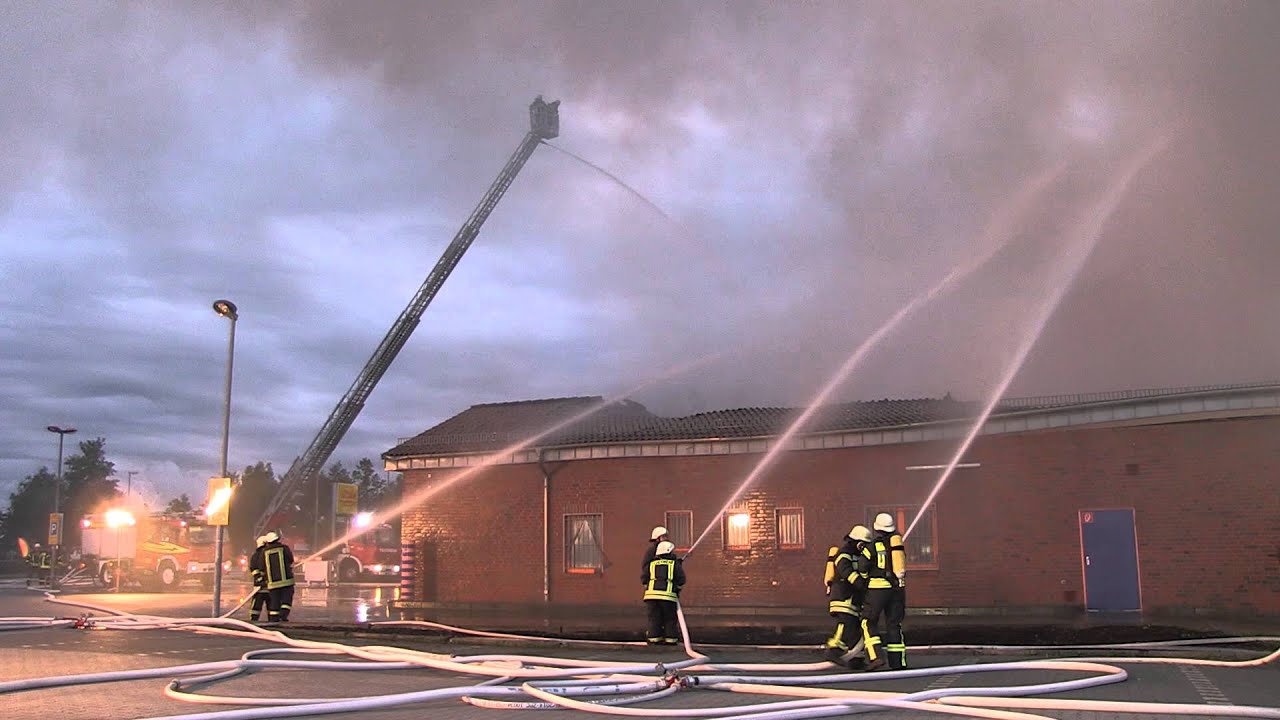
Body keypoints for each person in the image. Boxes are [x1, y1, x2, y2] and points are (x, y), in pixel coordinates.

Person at [859, 512, 907, 670]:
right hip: (897, 590)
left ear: (876, 528)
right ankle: (898, 662)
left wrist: (865, 581)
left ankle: (875, 657)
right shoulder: (897, 546)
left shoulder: (872, 546)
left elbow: (862, 567)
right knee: (894, 624)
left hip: (877, 590)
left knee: (868, 621)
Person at [824, 525, 872, 668]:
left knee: (855, 629)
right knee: (846, 625)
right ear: (856, 541)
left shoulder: (858, 556)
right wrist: (860, 582)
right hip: (843, 598)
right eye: (863, 544)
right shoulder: (844, 554)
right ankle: (833, 650)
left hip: (852, 599)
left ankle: (856, 659)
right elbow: (845, 570)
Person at [642, 540, 685, 645]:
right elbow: (681, 579)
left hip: (651, 597)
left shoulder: (651, 564)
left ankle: (653, 639)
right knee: (669, 619)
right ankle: (671, 640)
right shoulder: (674, 564)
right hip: (667, 597)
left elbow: (644, 579)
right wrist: (677, 589)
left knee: (654, 618)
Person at [261, 531, 296, 622]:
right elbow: (291, 560)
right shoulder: (284, 548)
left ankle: (273, 619)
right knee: (286, 601)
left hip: (273, 584)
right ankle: (283, 616)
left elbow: (261, 566)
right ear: (277, 539)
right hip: (287, 582)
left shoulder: (264, 552)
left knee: (274, 602)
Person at [247, 535, 270, 623]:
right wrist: (261, 580)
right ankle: (273, 622)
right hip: (267, 586)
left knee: (257, 606)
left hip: (260, 587)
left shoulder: (256, 555)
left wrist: (259, 580)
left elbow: (253, 568)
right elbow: (255, 570)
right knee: (271, 606)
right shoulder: (266, 554)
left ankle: (253, 621)